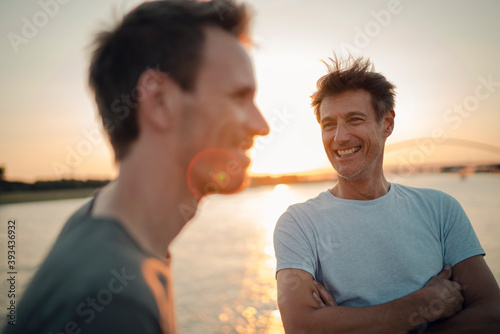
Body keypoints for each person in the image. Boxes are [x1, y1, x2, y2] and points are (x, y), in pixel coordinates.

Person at [5, 1, 268, 333]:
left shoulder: (98, 222)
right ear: (158, 101)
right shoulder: (114, 305)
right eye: (238, 97)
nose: (262, 125)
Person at [273, 55, 500, 333]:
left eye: (354, 119)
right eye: (329, 124)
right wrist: (422, 306)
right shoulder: (298, 223)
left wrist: (345, 324)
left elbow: (491, 313)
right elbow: (301, 327)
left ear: (387, 123)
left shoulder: (441, 209)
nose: (340, 137)